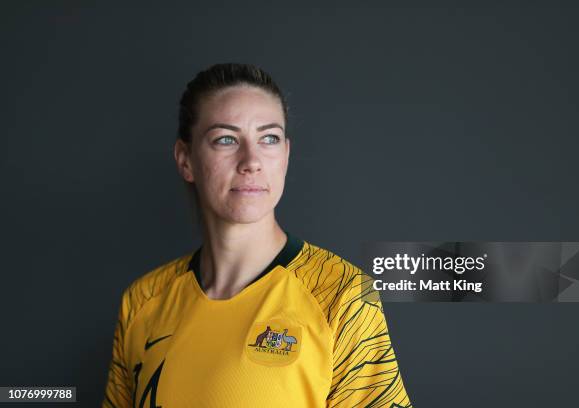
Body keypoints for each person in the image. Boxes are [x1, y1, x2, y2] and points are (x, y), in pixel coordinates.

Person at [102, 63, 413, 407]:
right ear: (185, 159)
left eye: (269, 138)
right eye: (226, 139)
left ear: (286, 155)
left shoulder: (342, 296)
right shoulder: (142, 302)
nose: (251, 160)